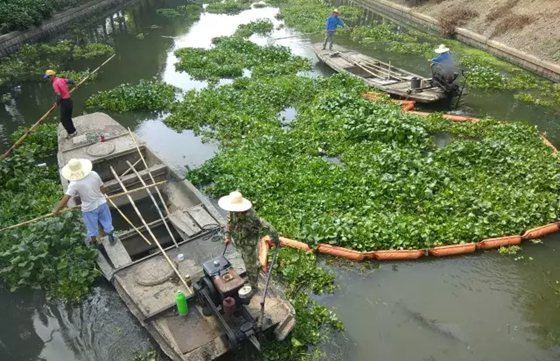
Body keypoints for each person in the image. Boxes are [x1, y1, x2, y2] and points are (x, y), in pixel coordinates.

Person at [219, 191, 279, 289]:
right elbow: (230, 223)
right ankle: (254, 268)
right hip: (239, 240)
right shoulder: (231, 211)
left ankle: (253, 285)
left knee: (250, 266)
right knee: (246, 260)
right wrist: (227, 236)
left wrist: (275, 239)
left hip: (249, 244)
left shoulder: (250, 216)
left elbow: (266, 226)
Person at [53, 158, 115, 245]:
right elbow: (102, 188)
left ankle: (94, 242)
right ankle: (111, 236)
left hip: (89, 208)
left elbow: (66, 198)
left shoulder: (74, 184)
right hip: (101, 203)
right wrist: (104, 196)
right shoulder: (94, 174)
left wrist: (57, 210)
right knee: (107, 221)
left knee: (91, 226)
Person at [44, 69, 77, 138]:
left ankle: (71, 133)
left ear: (52, 76)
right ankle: (73, 131)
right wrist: (75, 84)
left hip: (65, 102)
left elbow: (59, 96)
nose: (48, 79)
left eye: (48, 77)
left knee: (63, 119)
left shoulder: (55, 83)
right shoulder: (61, 79)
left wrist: (56, 104)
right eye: (47, 77)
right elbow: (71, 81)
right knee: (68, 118)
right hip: (69, 101)